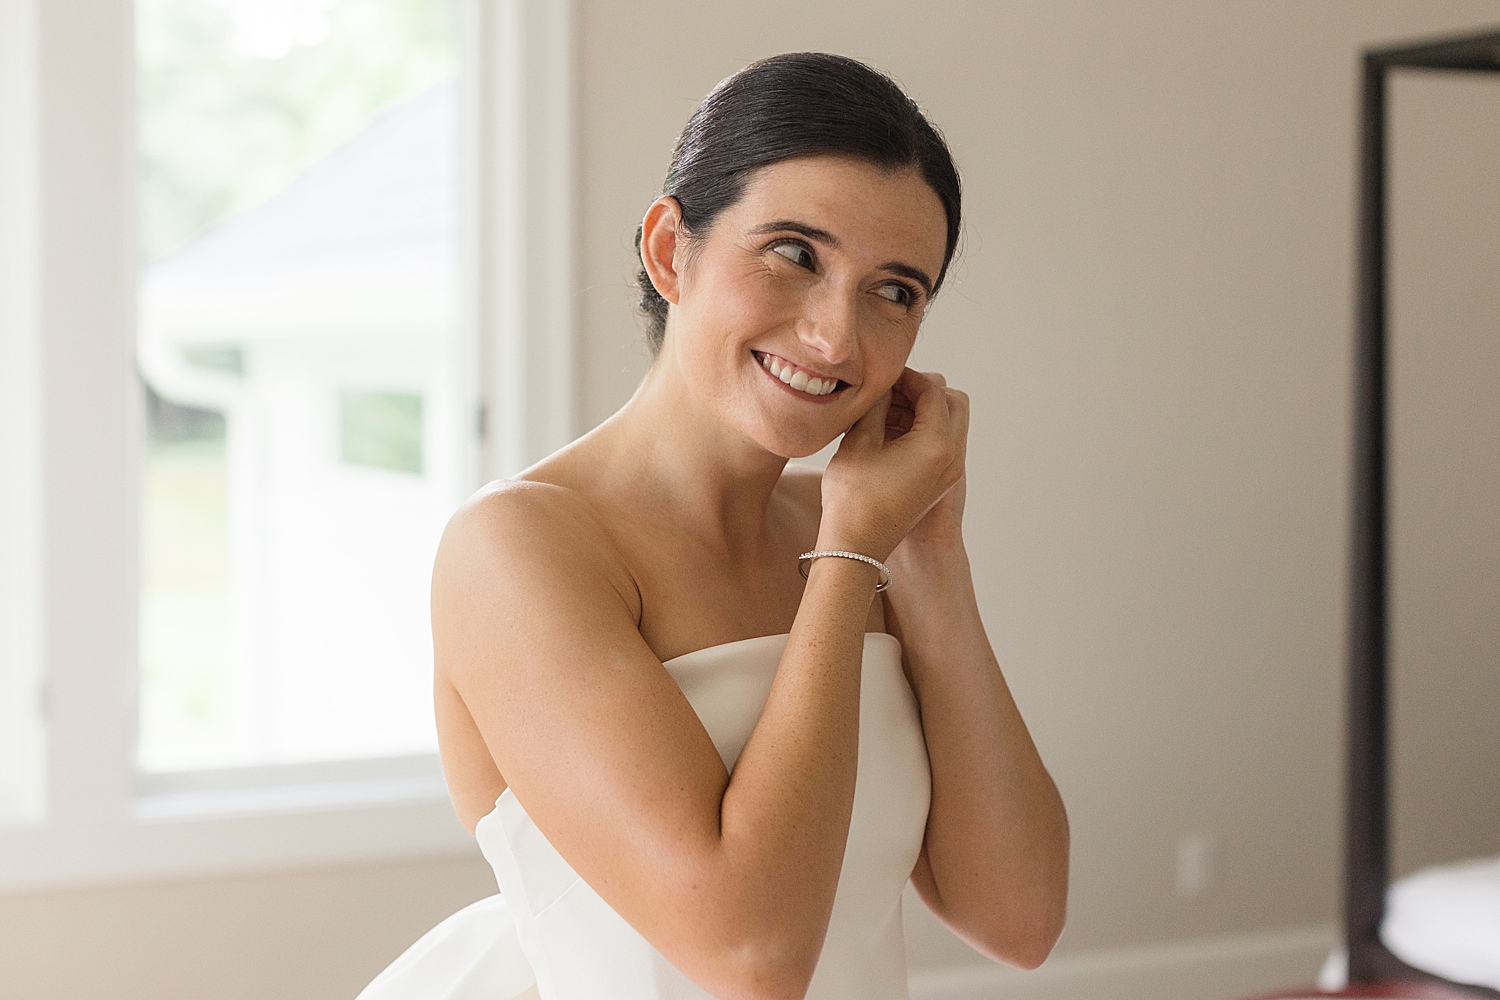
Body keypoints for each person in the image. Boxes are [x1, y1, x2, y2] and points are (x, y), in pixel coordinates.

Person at [359, 51, 1068, 1000]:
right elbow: (752, 959)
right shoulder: (521, 548)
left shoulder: (863, 531)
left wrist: (930, 555)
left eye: (894, 291)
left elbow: (1018, 920)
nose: (835, 338)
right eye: (795, 254)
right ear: (668, 251)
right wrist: (850, 556)